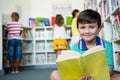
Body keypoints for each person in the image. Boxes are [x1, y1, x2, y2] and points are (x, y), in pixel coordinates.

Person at [50, 9, 120, 80]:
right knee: (54, 74)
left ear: (99, 28)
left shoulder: (107, 45)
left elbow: (109, 69)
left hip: (99, 78)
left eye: (92, 27)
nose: (87, 31)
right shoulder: (74, 47)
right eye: (82, 27)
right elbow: (73, 70)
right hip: (79, 78)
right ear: (78, 29)